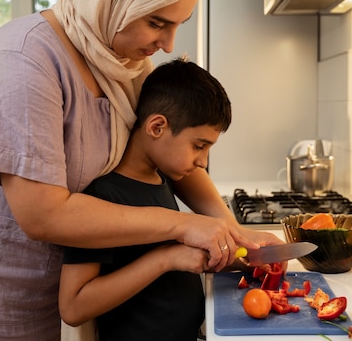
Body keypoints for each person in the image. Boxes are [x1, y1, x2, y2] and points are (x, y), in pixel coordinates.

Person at [0, 0, 283, 340]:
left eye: (177, 24)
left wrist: (230, 231)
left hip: (50, 282)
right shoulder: (23, 61)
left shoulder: (122, 62)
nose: (167, 44)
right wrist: (180, 226)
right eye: (156, 22)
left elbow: (170, 158)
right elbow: (43, 214)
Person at [59, 59, 231, 341]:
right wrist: (165, 259)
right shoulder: (103, 196)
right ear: (157, 127)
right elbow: (73, 306)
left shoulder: (162, 180)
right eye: (198, 146)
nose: (202, 162)